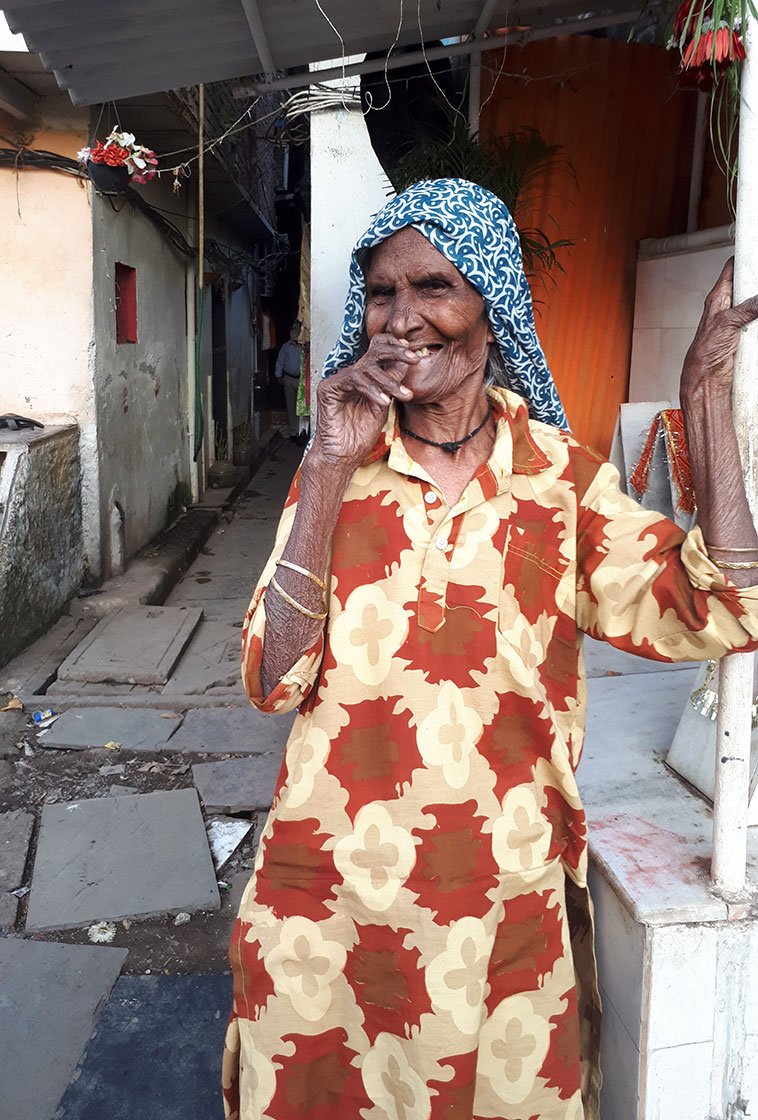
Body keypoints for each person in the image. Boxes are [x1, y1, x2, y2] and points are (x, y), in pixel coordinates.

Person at [222, 179, 758, 1120]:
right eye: (382, 292)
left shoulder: (560, 482)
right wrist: (322, 469)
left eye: (435, 286)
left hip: (498, 911)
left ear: (492, 303)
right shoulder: (341, 470)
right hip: (329, 910)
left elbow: (727, 603)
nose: (403, 317)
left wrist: (705, 396)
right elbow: (272, 679)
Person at [275, 320, 304, 441]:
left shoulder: (304, 347)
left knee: (301, 407)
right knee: (291, 406)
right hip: (289, 379)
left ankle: (301, 432)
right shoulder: (286, 347)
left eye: (298, 330)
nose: (296, 333)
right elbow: (280, 361)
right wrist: (278, 375)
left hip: (301, 379)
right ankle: (293, 432)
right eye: (294, 330)